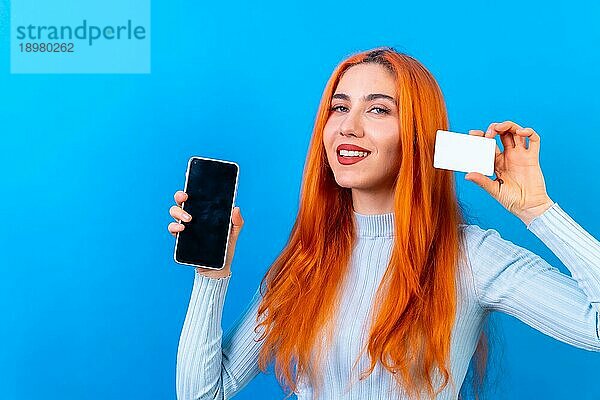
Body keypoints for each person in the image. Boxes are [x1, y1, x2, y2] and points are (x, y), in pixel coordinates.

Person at [167, 47, 600, 400]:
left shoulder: (471, 255)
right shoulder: (306, 262)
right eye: (340, 108)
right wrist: (211, 275)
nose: (348, 127)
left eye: (377, 110)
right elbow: (203, 395)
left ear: (417, 134)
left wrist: (538, 210)